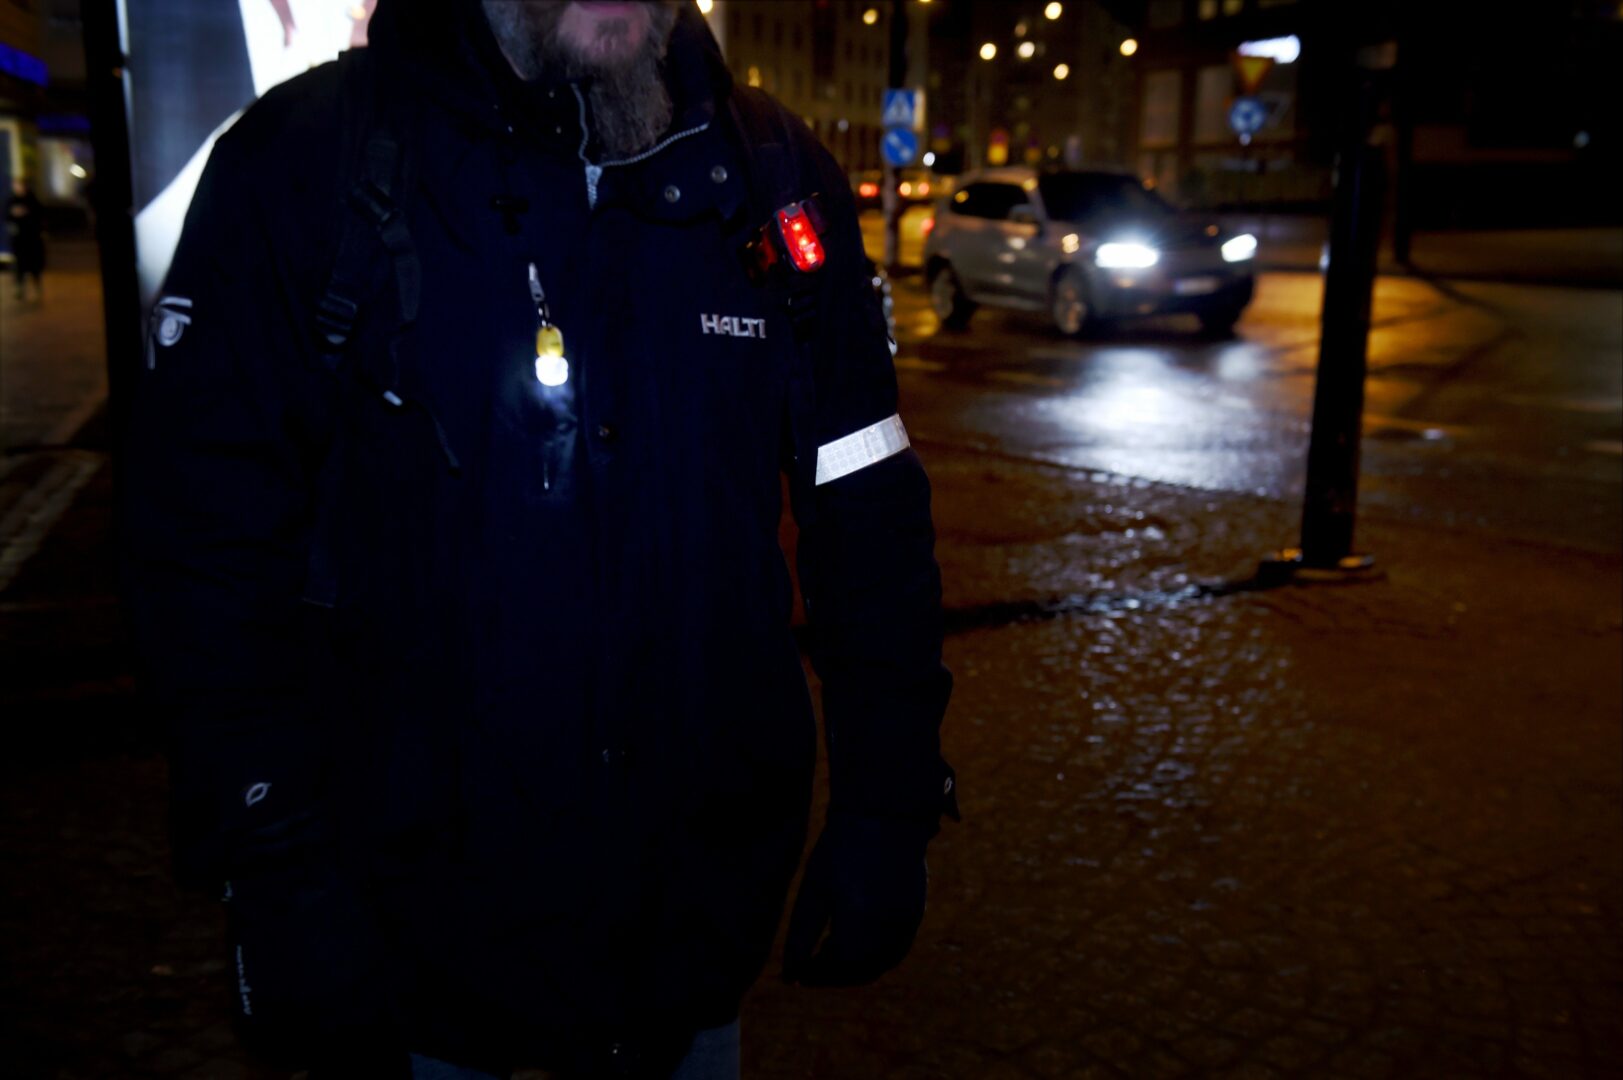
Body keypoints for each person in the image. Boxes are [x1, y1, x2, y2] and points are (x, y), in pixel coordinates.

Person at [121, 1, 955, 1077]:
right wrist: (271, 855)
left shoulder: (773, 173)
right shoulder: (308, 156)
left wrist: (889, 798)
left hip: (690, 948)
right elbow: (204, 546)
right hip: (413, 961)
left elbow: (868, 509)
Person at [6, 180, 46, 302]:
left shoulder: (32, 200)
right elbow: (6, 216)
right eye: (15, 186)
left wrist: (25, 212)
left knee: (34, 266)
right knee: (19, 265)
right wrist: (13, 215)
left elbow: (40, 216)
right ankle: (20, 288)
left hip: (32, 238)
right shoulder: (11, 200)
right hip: (19, 239)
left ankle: (37, 288)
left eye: (19, 186)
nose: (17, 188)